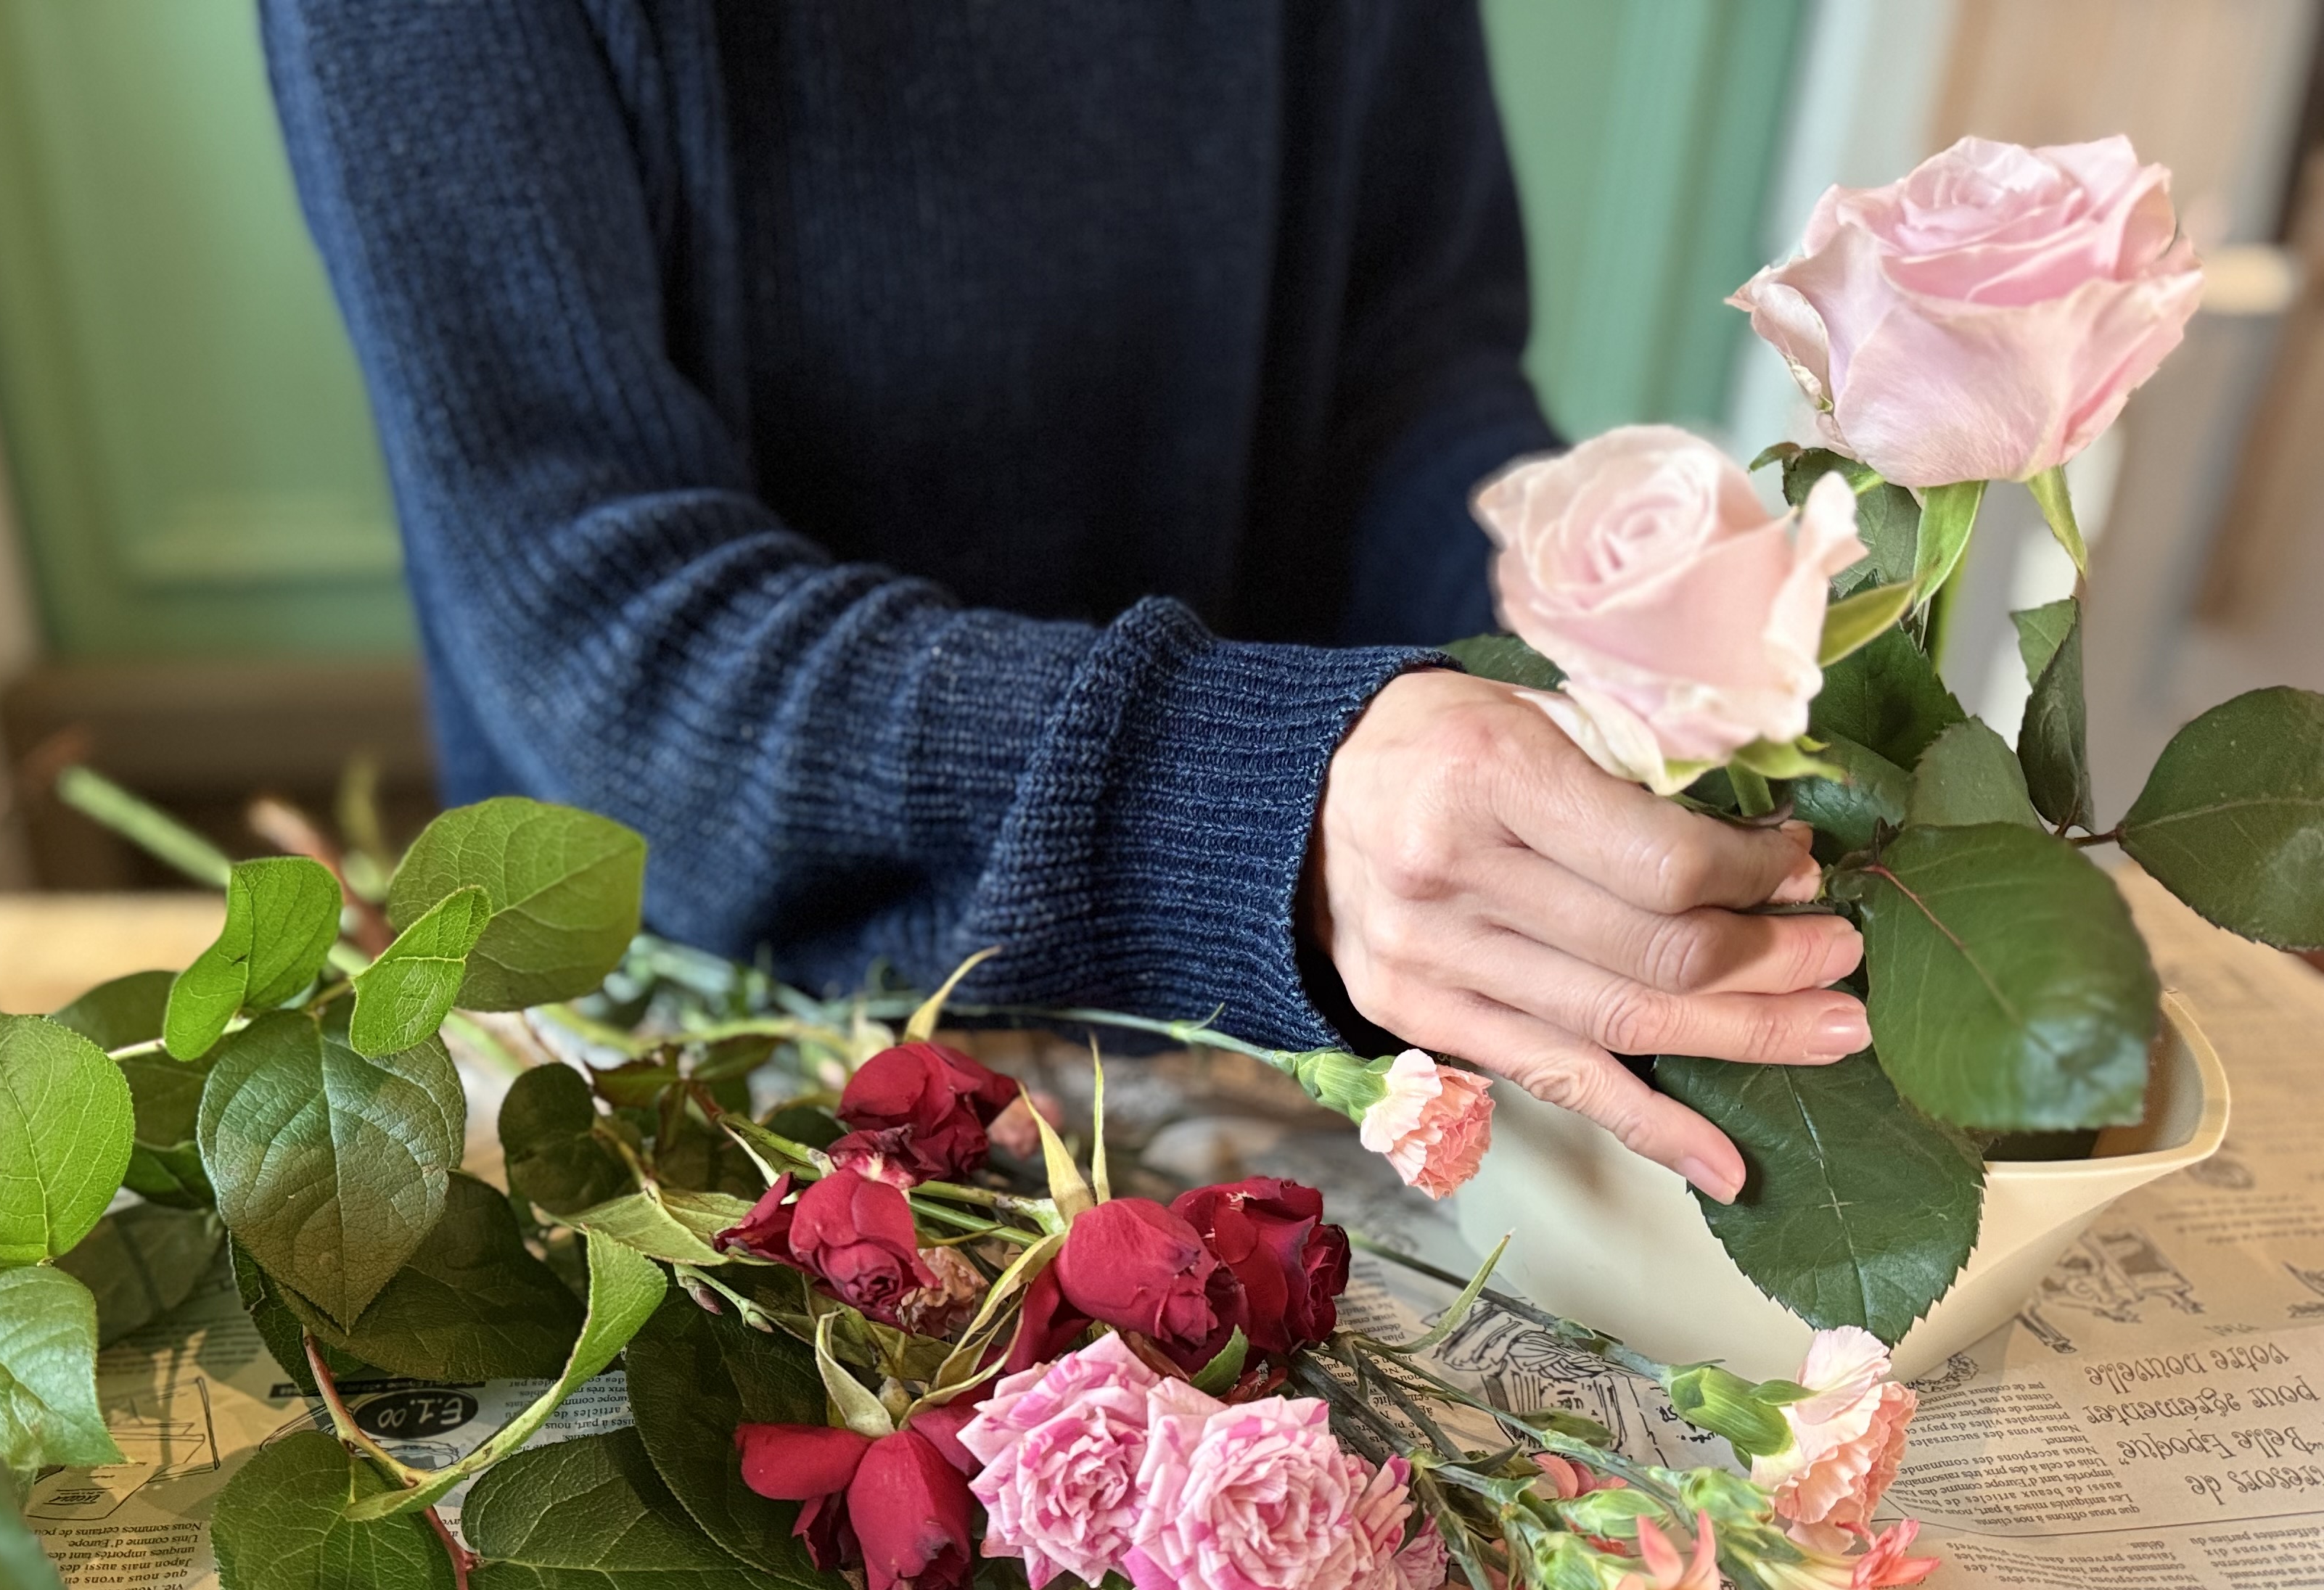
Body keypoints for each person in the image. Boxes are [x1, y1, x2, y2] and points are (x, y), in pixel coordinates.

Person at [261, 1, 1870, 1203]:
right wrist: (1263, 800)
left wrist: (1600, 669)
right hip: (709, 1078)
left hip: (1301, 1004)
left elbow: (1395, 377)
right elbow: (598, 623)